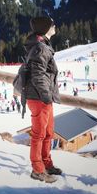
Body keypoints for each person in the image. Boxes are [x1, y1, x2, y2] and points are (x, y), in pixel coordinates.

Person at [24, 16, 62, 183]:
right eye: (52, 25)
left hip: (44, 97)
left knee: (48, 133)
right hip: (39, 97)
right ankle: (37, 170)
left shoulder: (43, 44)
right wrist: (46, 95)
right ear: (46, 28)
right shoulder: (41, 47)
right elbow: (37, 74)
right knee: (39, 135)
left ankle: (46, 163)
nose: (55, 26)